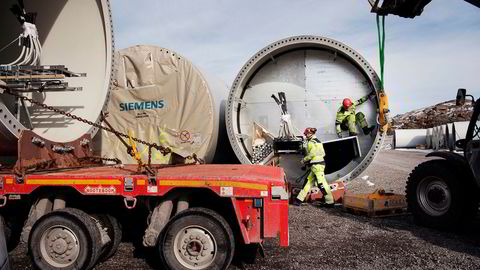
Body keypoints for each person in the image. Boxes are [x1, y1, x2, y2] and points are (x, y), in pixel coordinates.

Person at [292, 127, 334, 206]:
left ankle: (329, 201)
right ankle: (299, 200)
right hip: (317, 165)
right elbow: (323, 153)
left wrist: (304, 160)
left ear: (310, 134)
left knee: (322, 184)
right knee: (308, 183)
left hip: (317, 166)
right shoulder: (317, 141)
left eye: (306, 134)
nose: (305, 136)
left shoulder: (311, 142)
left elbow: (312, 154)